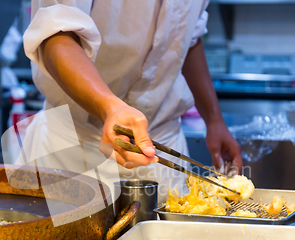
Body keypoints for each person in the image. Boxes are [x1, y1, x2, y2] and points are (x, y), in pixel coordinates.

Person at [21, 0, 242, 203]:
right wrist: (110, 107)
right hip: (76, 149)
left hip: (161, 147)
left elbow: (189, 37)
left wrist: (214, 121)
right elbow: (55, 33)